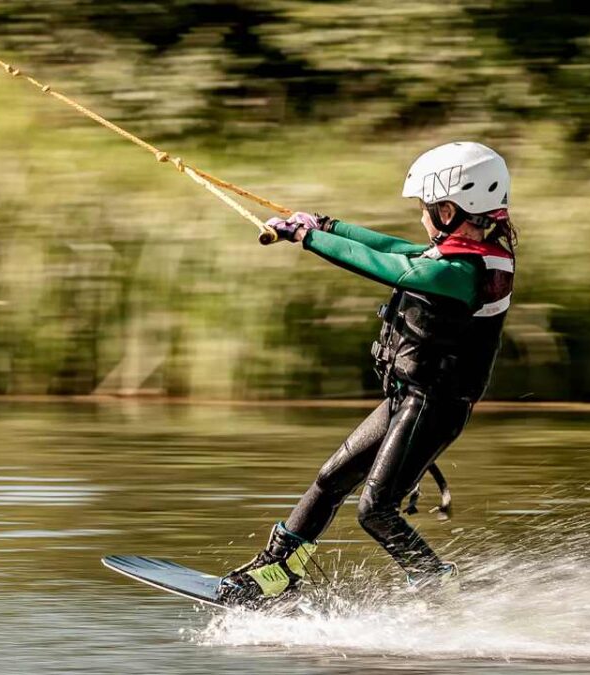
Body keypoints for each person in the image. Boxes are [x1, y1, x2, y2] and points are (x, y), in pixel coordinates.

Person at [217, 142, 517, 606]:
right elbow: (395, 247)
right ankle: (279, 569)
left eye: (427, 208)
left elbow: (388, 265)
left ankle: (437, 585)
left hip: (434, 407)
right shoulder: (457, 253)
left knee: (376, 510)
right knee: (330, 478)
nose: (422, 217)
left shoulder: (462, 273)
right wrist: (326, 224)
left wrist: (308, 239)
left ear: (452, 209)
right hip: (408, 399)